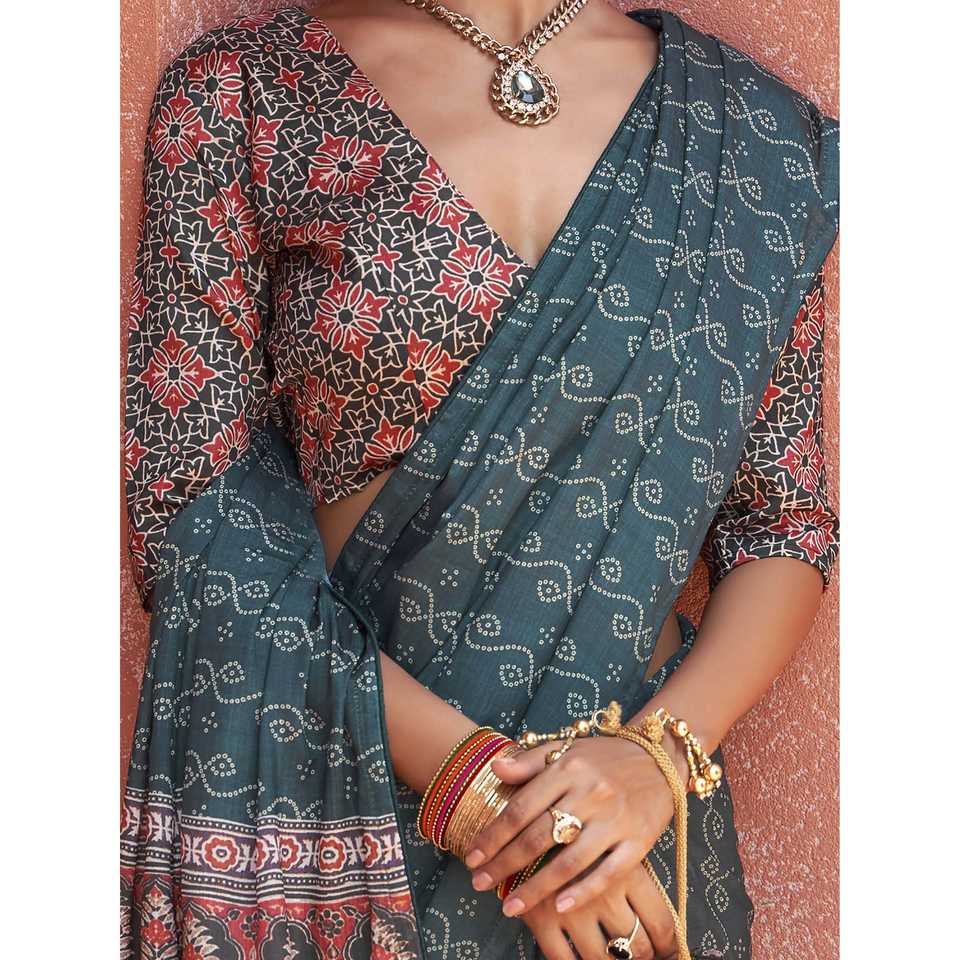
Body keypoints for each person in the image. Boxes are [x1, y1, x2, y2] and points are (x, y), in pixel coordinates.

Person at [120, 3, 839, 958]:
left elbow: (782, 523)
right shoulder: (246, 96)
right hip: (350, 808)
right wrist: (485, 798)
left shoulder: (752, 138)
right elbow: (193, 507)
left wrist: (654, 759)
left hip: (626, 855)